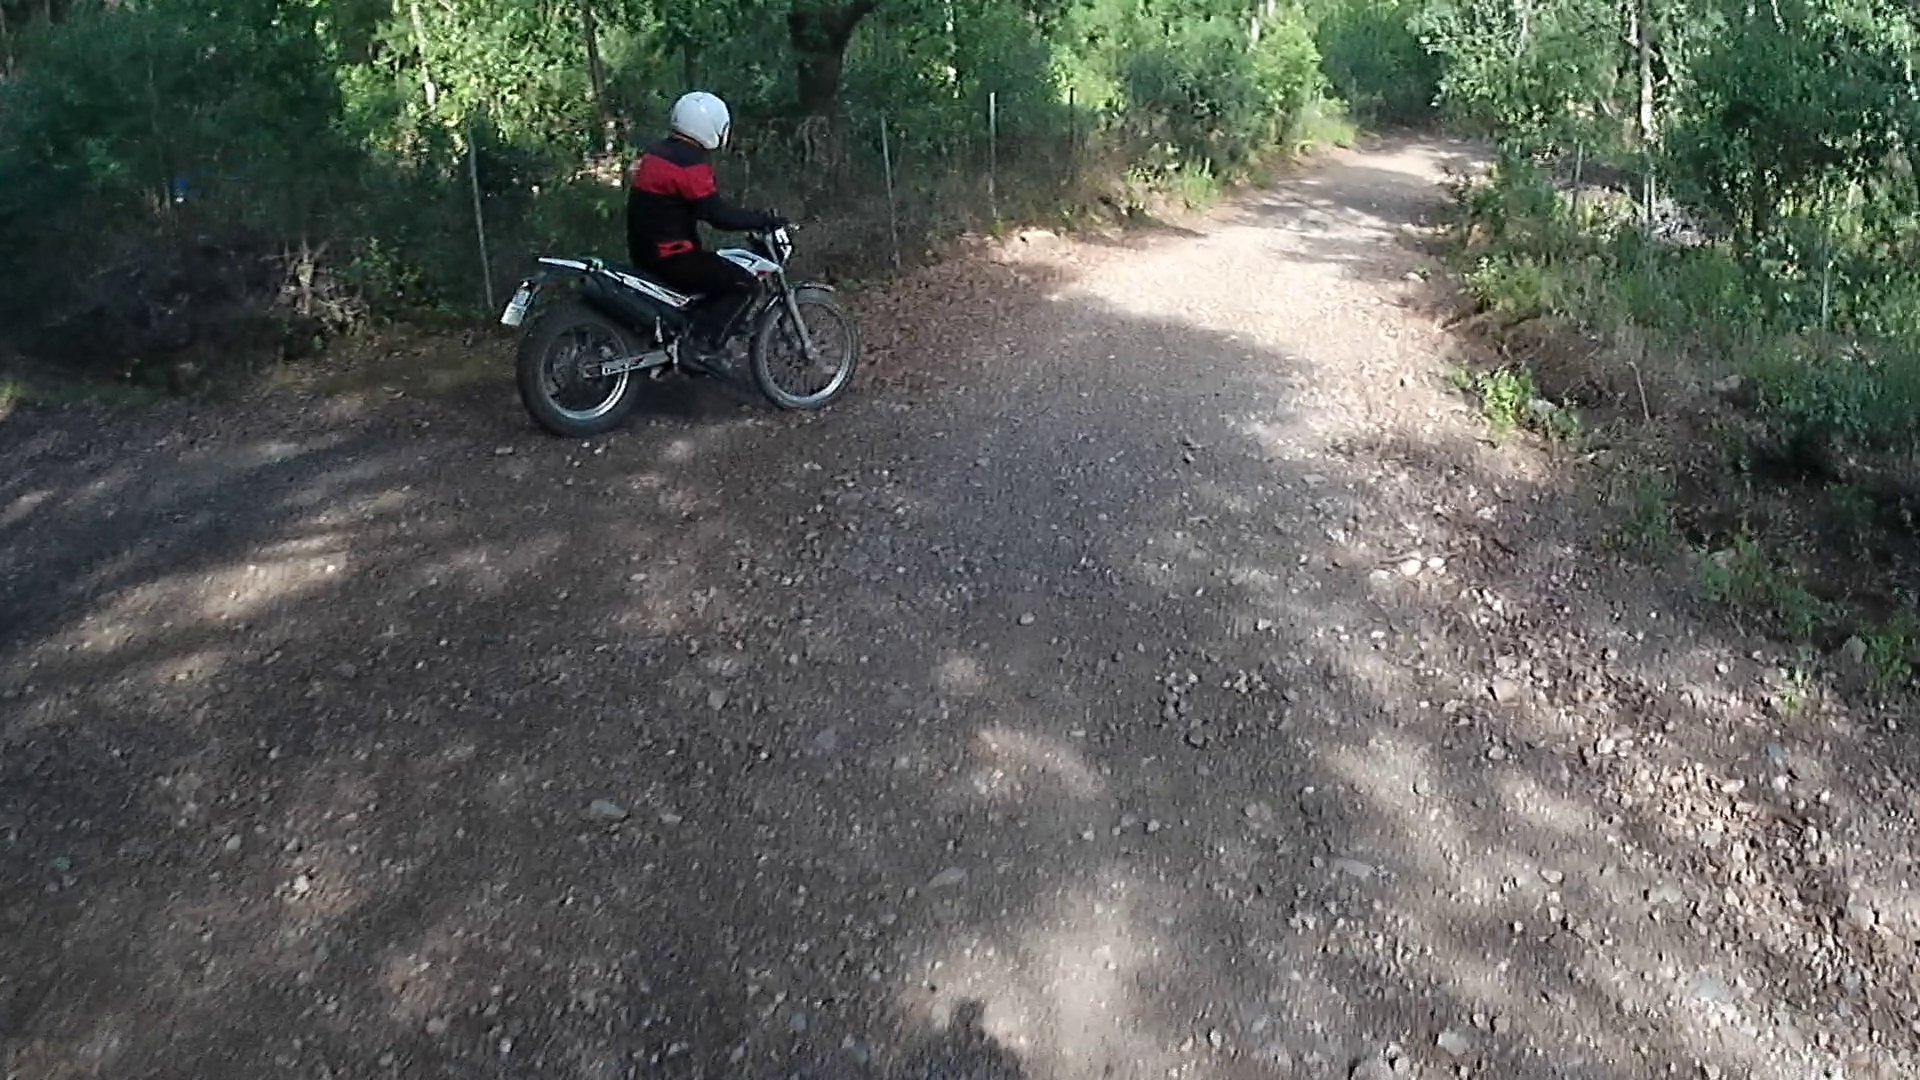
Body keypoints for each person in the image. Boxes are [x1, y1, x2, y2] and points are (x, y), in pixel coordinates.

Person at [626, 91, 785, 370]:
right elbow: (717, 215)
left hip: (645, 253)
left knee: (713, 271)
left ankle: (687, 333)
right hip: (672, 258)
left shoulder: (656, 153)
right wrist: (762, 220)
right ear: (710, 126)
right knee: (745, 285)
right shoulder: (688, 165)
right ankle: (701, 348)